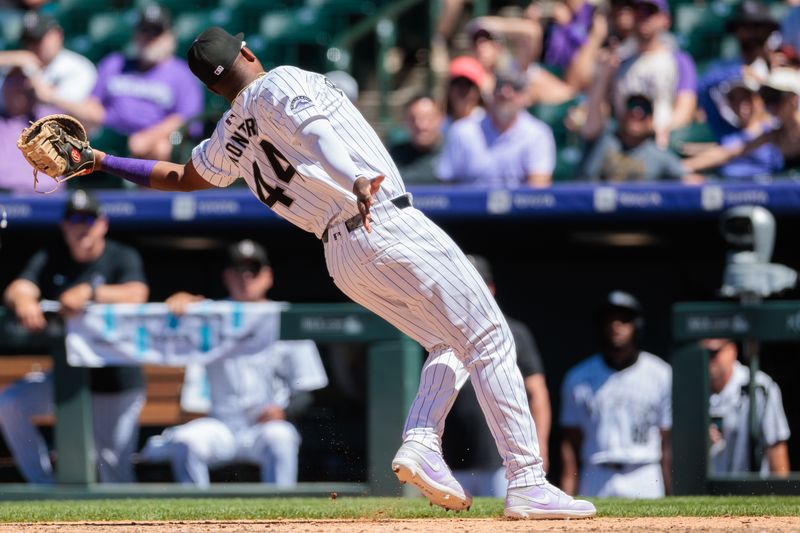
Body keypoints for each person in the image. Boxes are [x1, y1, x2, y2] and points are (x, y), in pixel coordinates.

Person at [75, 26, 595, 519]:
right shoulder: (280, 80)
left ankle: (420, 441)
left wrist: (101, 160)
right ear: (247, 53)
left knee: (451, 342)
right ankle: (527, 480)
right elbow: (317, 132)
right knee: (491, 337)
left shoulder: (227, 132)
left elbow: (182, 178)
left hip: (341, 255)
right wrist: (356, 178)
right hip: (380, 216)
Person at [140, 240, 328, 487]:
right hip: (221, 424)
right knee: (186, 442)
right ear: (227, 277)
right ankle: (196, 516)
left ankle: (282, 510)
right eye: (239, 271)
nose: (246, 278)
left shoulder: (284, 316)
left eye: (253, 271)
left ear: (268, 276)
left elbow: (307, 389)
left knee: (282, 437)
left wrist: (285, 411)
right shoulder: (211, 314)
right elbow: (175, 316)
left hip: (264, 425)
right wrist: (180, 300)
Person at [0, 190, 149, 483]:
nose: (81, 225)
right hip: (69, 378)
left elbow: (137, 294)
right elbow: (19, 287)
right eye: (74, 218)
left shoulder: (121, 255)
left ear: (102, 224)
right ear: (64, 225)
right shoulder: (53, 256)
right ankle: (43, 487)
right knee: (10, 403)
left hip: (116, 381)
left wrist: (91, 292)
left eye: (88, 218)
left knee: (115, 473)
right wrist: (24, 301)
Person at [35, 4, 202, 161]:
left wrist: (148, 137)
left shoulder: (182, 74)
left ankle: (150, 193)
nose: (149, 38)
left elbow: (186, 119)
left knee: (161, 148)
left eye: (155, 32)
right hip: (110, 134)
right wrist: (54, 99)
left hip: (152, 140)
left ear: (169, 36)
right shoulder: (115, 63)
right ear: (135, 33)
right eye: (144, 31)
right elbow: (92, 105)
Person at [443, 255, 551, 497]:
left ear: (490, 288)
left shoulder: (515, 332)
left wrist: (540, 444)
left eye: (476, 285)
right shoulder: (444, 333)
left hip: (503, 460)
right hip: (453, 458)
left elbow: (537, 392)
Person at [560, 291, 672, 498]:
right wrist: (569, 490)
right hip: (596, 473)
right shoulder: (578, 377)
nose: (616, 326)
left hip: (644, 472)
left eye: (624, 320)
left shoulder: (661, 373)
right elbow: (571, 441)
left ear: (636, 326)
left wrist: (671, 489)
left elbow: (667, 439)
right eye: (610, 320)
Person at [437, 71, 555, 188]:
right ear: (490, 93)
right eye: (499, 85)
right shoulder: (462, 131)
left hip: (520, 206)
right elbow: (447, 187)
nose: (505, 93)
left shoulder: (538, 134)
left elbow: (538, 192)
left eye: (515, 87)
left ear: (526, 96)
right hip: (468, 206)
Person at [610, 0, 697, 147]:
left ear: (665, 19)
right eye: (638, 11)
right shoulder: (619, 62)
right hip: (621, 145)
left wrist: (652, 128)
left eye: (649, 11)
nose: (643, 17)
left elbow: (685, 112)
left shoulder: (679, 60)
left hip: (660, 144)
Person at [684, 68, 800, 174]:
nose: (770, 103)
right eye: (766, 96)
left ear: (794, 99)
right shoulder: (773, 136)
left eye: (775, 97)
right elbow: (728, 152)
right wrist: (683, 167)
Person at [702, 339, 790, 476]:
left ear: (732, 350)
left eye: (713, 353)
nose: (707, 359)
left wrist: (783, 495)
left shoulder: (761, 386)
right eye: (702, 353)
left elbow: (775, 446)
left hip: (750, 490)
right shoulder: (688, 386)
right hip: (704, 491)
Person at [697, 0, 779, 142]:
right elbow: (700, 88)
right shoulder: (724, 67)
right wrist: (738, 72)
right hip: (732, 140)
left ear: (768, 31)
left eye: (758, 27)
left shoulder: (780, 68)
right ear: (736, 31)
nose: (752, 33)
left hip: (772, 143)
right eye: (745, 27)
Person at [0, 11, 96, 117]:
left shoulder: (78, 67)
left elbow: (87, 115)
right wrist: (11, 58)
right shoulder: (19, 61)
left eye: (39, 39)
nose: (33, 45)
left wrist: (47, 94)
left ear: (58, 35)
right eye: (29, 40)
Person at [580, 93, 690, 182]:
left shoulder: (658, 155)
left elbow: (688, 179)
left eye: (644, 110)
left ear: (651, 120)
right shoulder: (603, 140)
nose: (636, 113)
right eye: (631, 107)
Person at [0, 68, 45, 192]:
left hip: (48, 199)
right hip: (4, 198)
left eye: (23, 82)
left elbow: (93, 118)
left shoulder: (49, 118)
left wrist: (48, 95)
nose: (18, 88)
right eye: (12, 82)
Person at [388, 94, 443, 185]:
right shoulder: (393, 157)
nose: (420, 125)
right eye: (413, 119)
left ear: (440, 119)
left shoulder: (453, 153)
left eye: (427, 118)